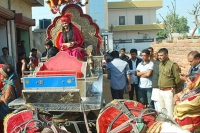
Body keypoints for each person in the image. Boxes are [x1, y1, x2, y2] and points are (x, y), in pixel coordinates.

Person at [158, 48, 182, 119]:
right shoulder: (160, 64)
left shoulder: (173, 65)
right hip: (161, 91)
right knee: (162, 111)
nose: (159, 57)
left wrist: (176, 91)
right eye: (158, 55)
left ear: (166, 55)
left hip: (169, 91)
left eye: (161, 55)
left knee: (170, 112)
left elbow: (178, 79)